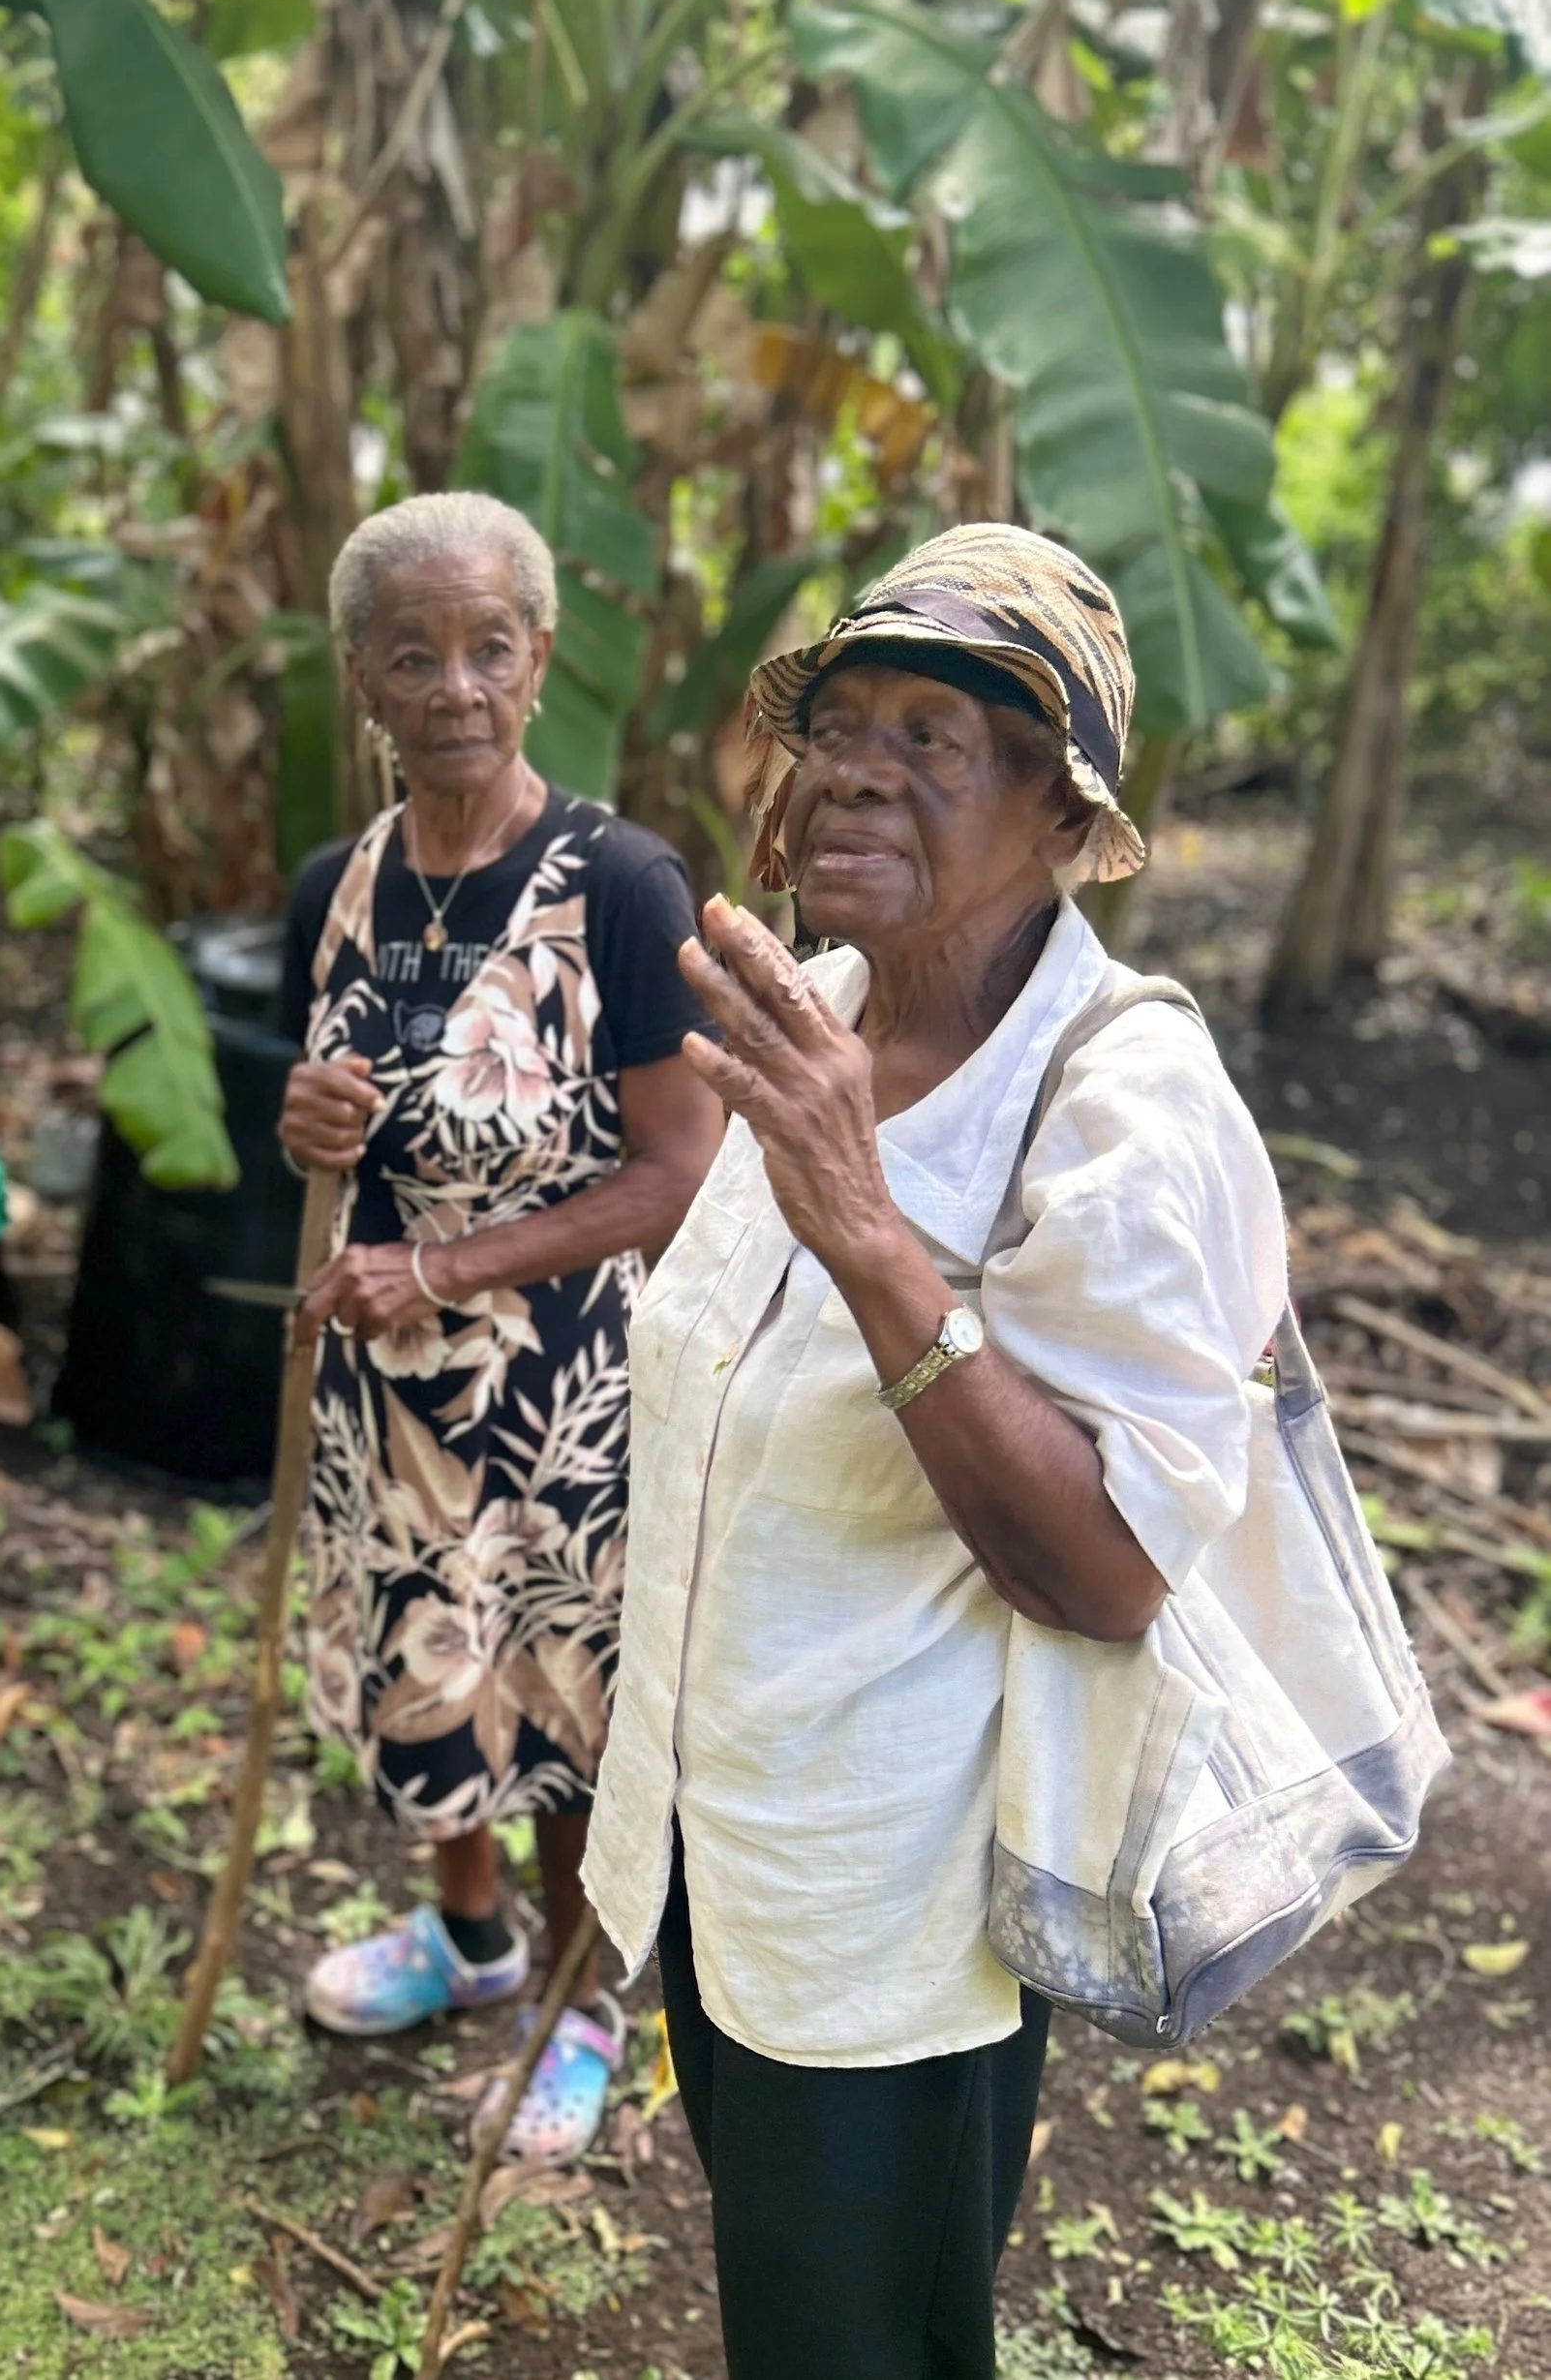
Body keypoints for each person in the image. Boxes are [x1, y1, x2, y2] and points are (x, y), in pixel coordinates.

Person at [583, 523, 1291, 2375]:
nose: (862, 768)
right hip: (726, 1836)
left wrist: (874, 1235)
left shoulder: (1127, 1097)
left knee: (857, 2341)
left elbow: (1111, 1570)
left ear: (1063, 818)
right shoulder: (810, 1011)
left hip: (893, 1901)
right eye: (844, 723)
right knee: (805, 2318)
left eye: (941, 737)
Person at [278, 490, 724, 2162]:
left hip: (559, 1392)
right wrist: (308, 1131)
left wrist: (451, 1274)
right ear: (365, 683)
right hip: (382, 1390)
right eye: (415, 656)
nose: (454, 684)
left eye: (487, 648)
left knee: (558, 1700)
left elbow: (682, 1173)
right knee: (425, 1675)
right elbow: (331, 1133)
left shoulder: (619, 882)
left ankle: (580, 2004)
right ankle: (467, 1944)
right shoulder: (339, 888)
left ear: (538, 660)